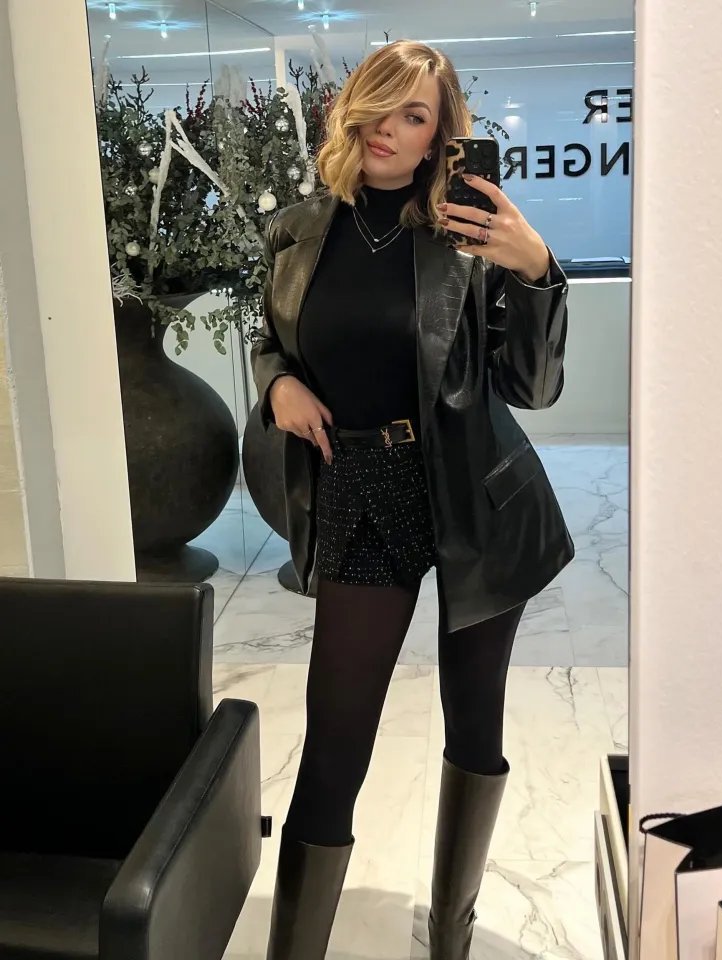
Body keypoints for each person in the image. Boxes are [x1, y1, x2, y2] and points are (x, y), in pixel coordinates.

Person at [251, 39, 574, 960]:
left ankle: (449, 940)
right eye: (380, 103)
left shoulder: (469, 237)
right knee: (333, 743)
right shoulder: (298, 231)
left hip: (478, 494)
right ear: (350, 107)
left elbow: (532, 387)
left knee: (475, 726)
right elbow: (271, 339)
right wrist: (276, 384)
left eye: (416, 115)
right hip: (361, 485)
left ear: (441, 136)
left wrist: (536, 270)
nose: (390, 128)